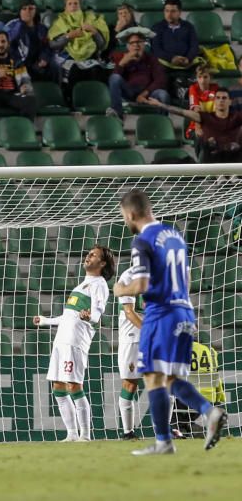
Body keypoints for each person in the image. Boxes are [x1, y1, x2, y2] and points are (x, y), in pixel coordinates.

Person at [113, 190, 228, 455]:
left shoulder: (143, 241)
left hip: (161, 313)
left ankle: (169, 437)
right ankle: (201, 417)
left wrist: (120, 289)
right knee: (168, 378)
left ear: (130, 213)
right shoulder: (175, 236)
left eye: (124, 216)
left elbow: (140, 284)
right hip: (184, 311)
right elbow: (186, 281)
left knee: (153, 377)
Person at [32, 246, 115, 442]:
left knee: (74, 386)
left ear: (102, 263)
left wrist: (89, 317)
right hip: (61, 339)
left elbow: (97, 313)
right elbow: (68, 316)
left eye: (93, 255)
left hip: (75, 340)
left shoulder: (99, 284)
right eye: (89, 253)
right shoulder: (81, 286)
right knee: (58, 387)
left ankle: (85, 435)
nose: (88, 256)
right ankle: (71, 434)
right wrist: (46, 321)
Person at [148, 89, 242, 162]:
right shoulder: (205, 117)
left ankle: (234, 175)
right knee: (210, 142)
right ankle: (219, 176)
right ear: (214, 101)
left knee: (235, 144)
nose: (221, 101)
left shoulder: (237, 117)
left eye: (224, 98)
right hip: (213, 158)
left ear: (230, 101)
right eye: (218, 98)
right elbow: (181, 112)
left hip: (234, 156)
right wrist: (160, 104)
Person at [47, 0, 110, 98]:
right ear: (65, 8)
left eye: (76, 3)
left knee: (97, 70)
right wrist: (68, 36)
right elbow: (53, 45)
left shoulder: (90, 20)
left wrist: (94, 31)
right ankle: (72, 101)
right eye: (70, 4)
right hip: (68, 57)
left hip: (89, 58)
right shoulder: (60, 23)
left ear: (80, 6)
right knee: (74, 71)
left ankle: (96, 100)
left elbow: (101, 45)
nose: (73, 6)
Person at [0, 30, 36, 134]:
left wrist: (24, 87)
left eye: (3, 42)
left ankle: (24, 133)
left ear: (8, 43)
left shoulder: (16, 59)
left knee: (30, 100)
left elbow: (26, 79)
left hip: (11, 94)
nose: (0, 45)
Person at [107, 30, 170, 119]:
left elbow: (160, 80)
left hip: (148, 93)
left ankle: (162, 122)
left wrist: (143, 94)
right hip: (129, 92)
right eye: (132, 43)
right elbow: (114, 80)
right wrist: (122, 63)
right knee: (114, 77)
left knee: (163, 94)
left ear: (144, 44)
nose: (136, 45)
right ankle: (118, 115)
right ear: (128, 46)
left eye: (139, 42)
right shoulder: (120, 57)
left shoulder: (152, 59)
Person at [151, 0, 201, 102]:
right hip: (166, 64)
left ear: (179, 12)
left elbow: (194, 46)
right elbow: (156, 49)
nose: (169, 14)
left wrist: (188, 58)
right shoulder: (157, 27)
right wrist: (172, 58)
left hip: (186, 63)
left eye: (173, 11)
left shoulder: (188, 27)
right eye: (167, 11)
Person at [114, 268, 144, 440]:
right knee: (130, 384)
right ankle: (128, 432)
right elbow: (129, 312)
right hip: (132, 337)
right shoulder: (129, 276)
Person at [5, 0, 58, 82]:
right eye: (24, 9)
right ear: (20, 11)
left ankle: (56, 91)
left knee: (55, 66)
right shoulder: (12, 25)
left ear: (35, 11)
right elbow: (7, 43)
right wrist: (20, 25)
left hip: (37, 62)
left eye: (31, 8)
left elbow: (48, 47)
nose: (27, 11)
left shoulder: (42, 28)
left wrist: (44, 58)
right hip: (19, 61)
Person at [186, 64, 217, 141]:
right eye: (199, 77)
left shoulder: (216, 88)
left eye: (205, 77)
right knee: (203, 138)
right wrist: (198, 128)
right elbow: (196, 110)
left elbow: (218, 109)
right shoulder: (193, 88)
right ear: (196, 78)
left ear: (211, 78)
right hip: (195, 127)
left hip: (212, 126)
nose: (202, 80)